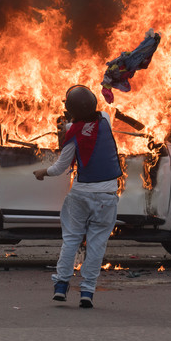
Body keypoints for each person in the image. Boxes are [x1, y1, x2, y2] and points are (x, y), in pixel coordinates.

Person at [33, 85, 122, 308]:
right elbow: (90, 120)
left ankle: (61, 287)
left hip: (80, 196)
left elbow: (60, 167)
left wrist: (42, 173)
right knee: (96, 245)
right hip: (107, 197)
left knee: (71, 241)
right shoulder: (106, 119)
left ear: (71, 110)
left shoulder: (72, 133)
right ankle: (87, 292)